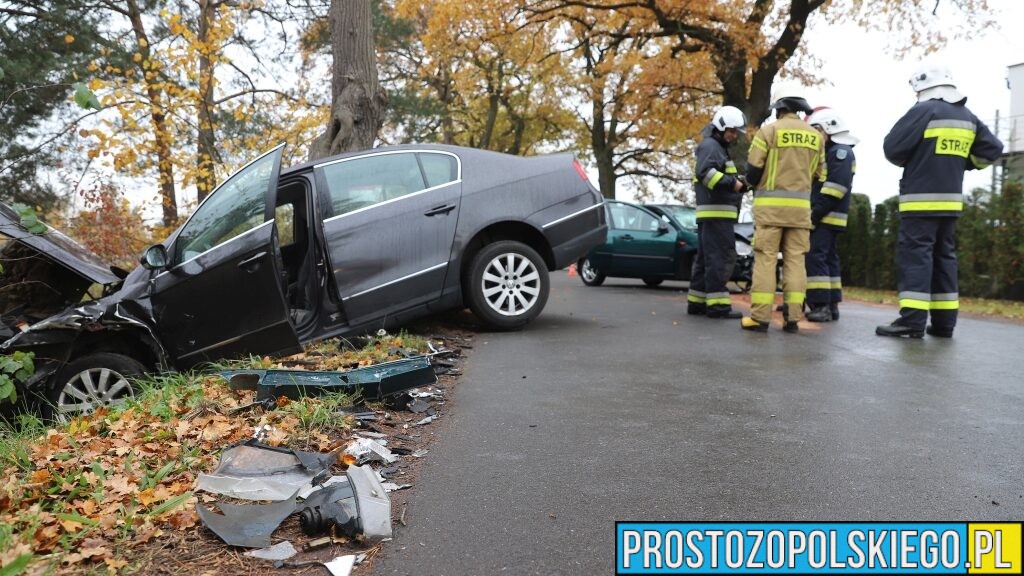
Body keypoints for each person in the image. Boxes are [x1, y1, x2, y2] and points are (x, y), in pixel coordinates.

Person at [876, 63, 1003, 338]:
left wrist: (920, 157)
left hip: (919, 203)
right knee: (945, 259)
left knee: (916, 259)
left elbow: (892, 148)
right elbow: (992, 150)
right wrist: (962, 164)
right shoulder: (968, 116)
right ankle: (945, 324)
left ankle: (911, 322)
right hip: (951, 204)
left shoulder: (924, 110)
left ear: (923, 89)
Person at [740, 84, 825, 333]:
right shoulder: (815, 137)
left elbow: (753, 171)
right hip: (800, 212)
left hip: (770, 212)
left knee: (766, 260)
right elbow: (821, 175)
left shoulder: (768, 132)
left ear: (780, 107)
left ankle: (760, 317)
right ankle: (792, 318)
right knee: (796, 262)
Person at [687, 105, 748, 319]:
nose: (733, 136)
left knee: (706, 259)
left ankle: (697, 302)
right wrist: (734, 184)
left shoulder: (715, 147)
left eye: (735, 133)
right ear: (720, 127)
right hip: (717, 215)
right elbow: (706, 173)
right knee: (720, 259)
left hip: (712, 215)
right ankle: (718, 306)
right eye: (731, 131)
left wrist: (735, 181)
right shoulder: (712, 146)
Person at [804, 107, 859, 322]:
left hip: (827, 216)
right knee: (828, 259)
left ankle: (820, 306)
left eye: (817, 131)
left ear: (828, 129)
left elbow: (835, 189)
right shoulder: (832, 152)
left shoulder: (840, 153)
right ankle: (832, 305)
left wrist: (814, 214)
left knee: (816, 257)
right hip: (828, 216)